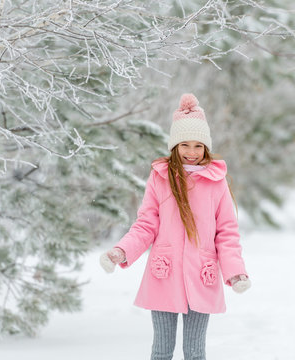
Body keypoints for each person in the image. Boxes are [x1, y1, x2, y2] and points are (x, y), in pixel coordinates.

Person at [100, 93, 250, 360]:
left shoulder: (216, 182)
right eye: (184, 145)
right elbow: (146, 224)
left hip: (201, 276)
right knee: (161, 351)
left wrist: (235, 271)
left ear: (206, 147)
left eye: (197, 146)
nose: (191, 153)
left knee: (194, 353)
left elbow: (226, 233)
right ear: (174, 146)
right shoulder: (160, 178)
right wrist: (121, 251)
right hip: (164, 273)